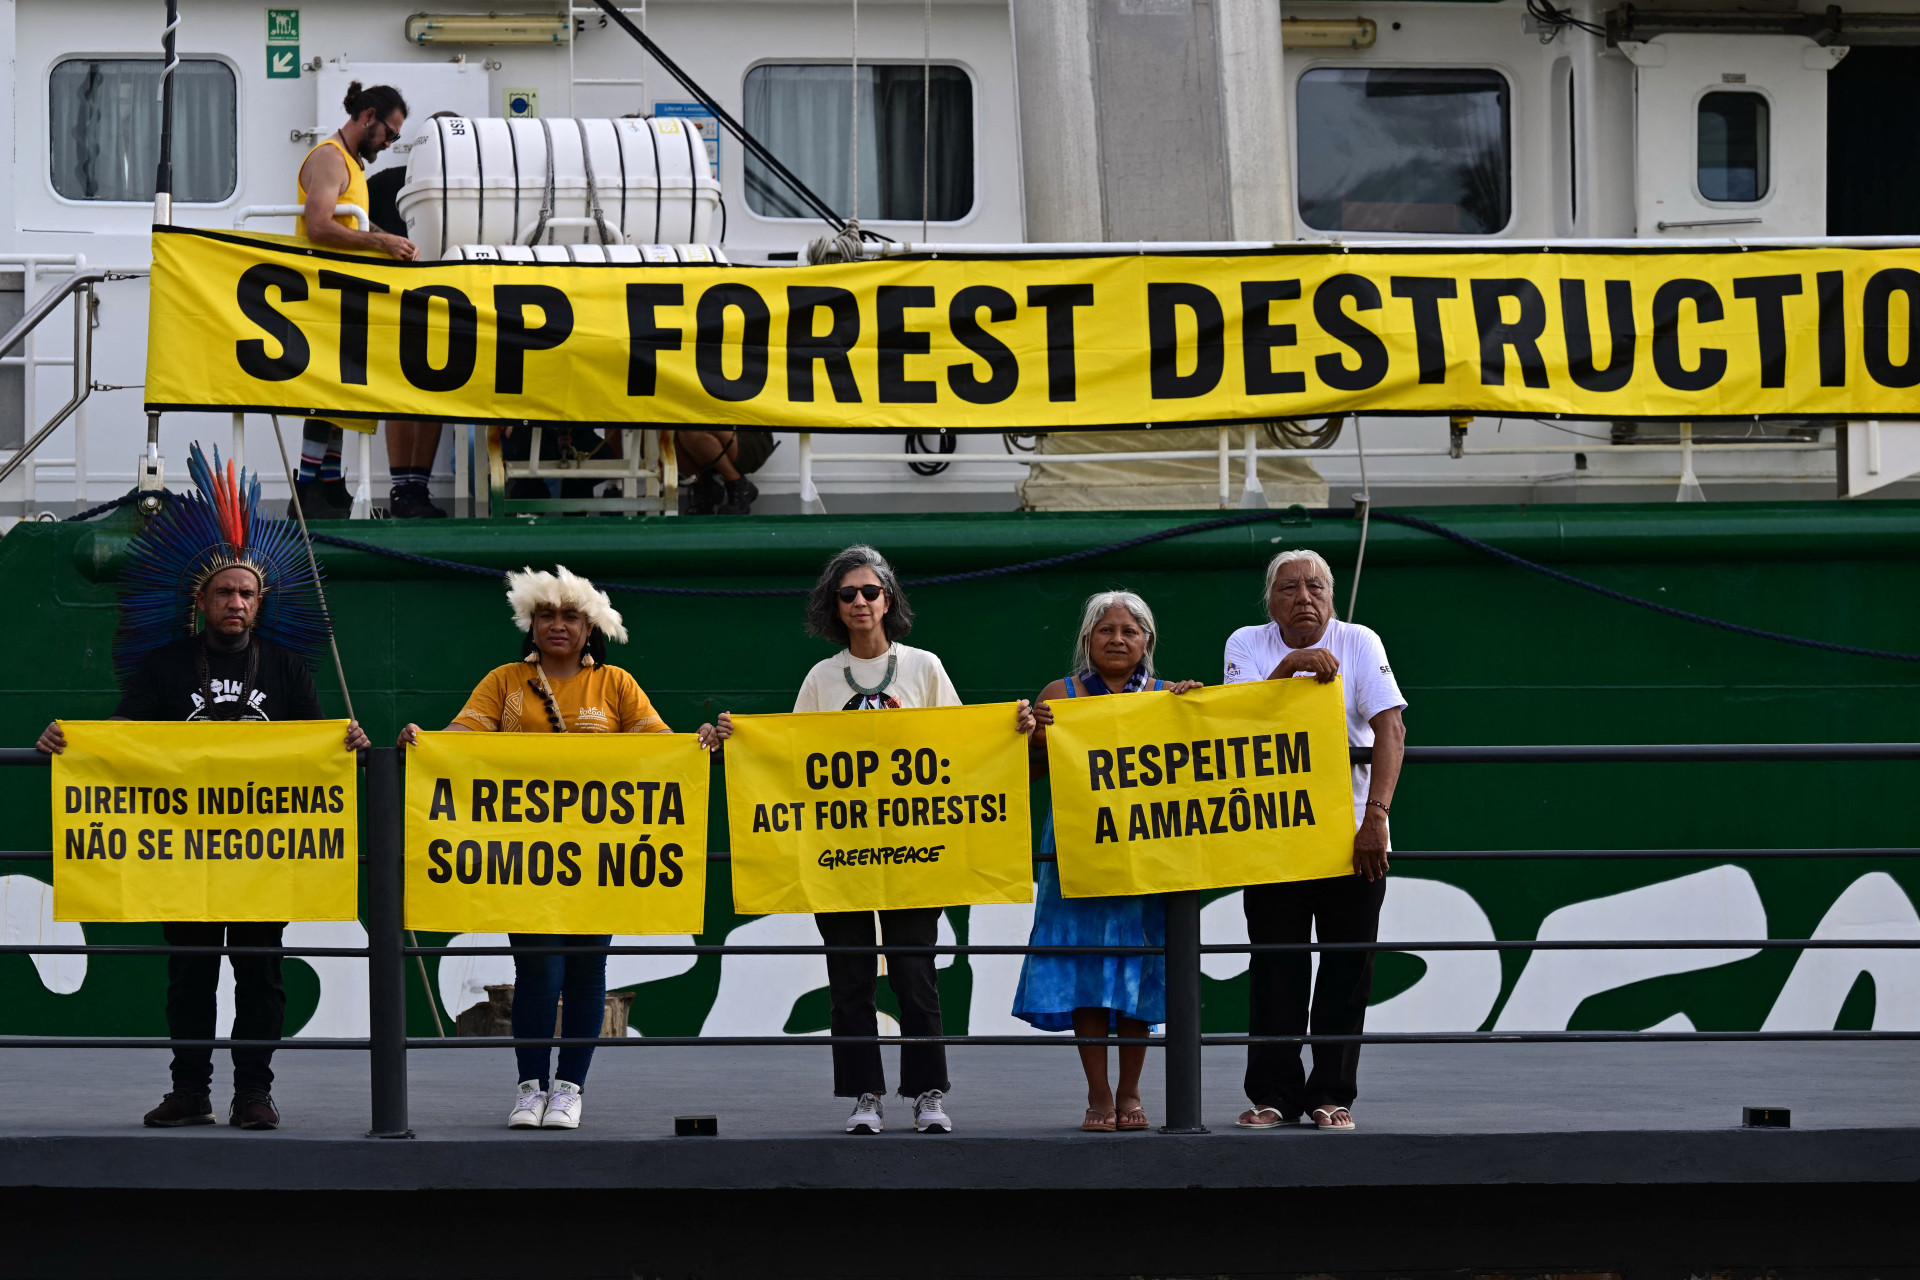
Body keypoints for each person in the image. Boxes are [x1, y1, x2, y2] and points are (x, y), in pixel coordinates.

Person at [37, 444, 369, 1131]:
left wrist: (350, 745)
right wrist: (68, 746)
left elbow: (317, 747)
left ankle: (254, 1092)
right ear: (202, 599)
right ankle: (190, 1090)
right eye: (224, 593)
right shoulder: (162, 668)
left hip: (262, 853)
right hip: (182, 852)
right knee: (190, 973)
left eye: (246, 593)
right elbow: (119, 747)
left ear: (261, 599)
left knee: (260, 972)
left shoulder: (286, 670)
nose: (236, 603)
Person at [696, 545, 1035, 1135]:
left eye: (870, 591)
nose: (859, 602)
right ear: (834, 605)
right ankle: (865, 1096)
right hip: (840, 855)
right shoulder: (821, 678)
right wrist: (737, 740)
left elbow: (960, 742)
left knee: (914, 974)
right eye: (847, 593)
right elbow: (791, 757)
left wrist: (1011, 730)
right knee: (849, 979)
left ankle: (928, 1093)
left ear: (889, 600)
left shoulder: (925, 667)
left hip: (916, 852)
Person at [398, 567, 677, 1132]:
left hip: (600, 859)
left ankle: (570, 1089)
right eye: (546, 615)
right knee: (538, 970)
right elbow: (461, 738)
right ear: (530, 622)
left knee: (585, 970)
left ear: (589, 626)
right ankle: (530, 1089)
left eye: (570, 616)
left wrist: (701, 744)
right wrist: (421, 741)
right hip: (526, 858)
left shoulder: (617, 685)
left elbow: (662, 749)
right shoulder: (504, 681)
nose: (557, 625)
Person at [1224, 549, 1406, 1132]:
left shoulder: (1361, 642)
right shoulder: (1246, 644)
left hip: (1351, 833)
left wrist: (1376, 814)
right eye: (1289, 588)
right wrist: (1293, 666)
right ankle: (1273, 1094)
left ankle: (1333, 1094)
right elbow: (1238, 719)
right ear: (1269, 601)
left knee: (1346, 967)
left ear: (1330, 595)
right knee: (1275, 966)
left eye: (1315, 587)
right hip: (1272, 832)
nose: (1303, 597)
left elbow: (1389, 728)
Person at [1013, 591, 1202, 1131]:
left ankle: (1131, 1091)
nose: (1118, 639)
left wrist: (1195, 711)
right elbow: (1024, 779)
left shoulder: (1171, 696)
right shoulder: (1059, 696)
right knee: (1086, 973)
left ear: (1147, 642)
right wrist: (1029, 736)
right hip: (1076, 858)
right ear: (1087, 640)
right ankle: (1099, 1095)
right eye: (1106, 630)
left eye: (1130, 631)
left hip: (1146, 860)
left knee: (1138, 975)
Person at [290, 81, 419, 520]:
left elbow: (350, 223)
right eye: (391, 132)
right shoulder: (330, 158)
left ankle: (327, 483)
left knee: (337, 395)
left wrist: (385, 238)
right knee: (326, 396)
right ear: (369, 118)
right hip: (321, 291)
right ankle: (307, 490)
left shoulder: (352, 165)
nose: (391, 142)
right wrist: (379, 244)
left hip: (340, 294)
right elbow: (319, 227)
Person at [367, 111, 460, 520]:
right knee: (402, 399)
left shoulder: (467, 188)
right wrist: (383, 240)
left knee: (432, 394)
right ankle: (404, 490)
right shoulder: (387, 182)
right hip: (396, 302)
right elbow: (348, 219)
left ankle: (413, 489)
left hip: (446, 302)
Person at [676, 429, 774, 514]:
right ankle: (706, 489)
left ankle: (739, 485)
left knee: (694, 427)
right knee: (669, 432)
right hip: (725, 434)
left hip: (752, 438)